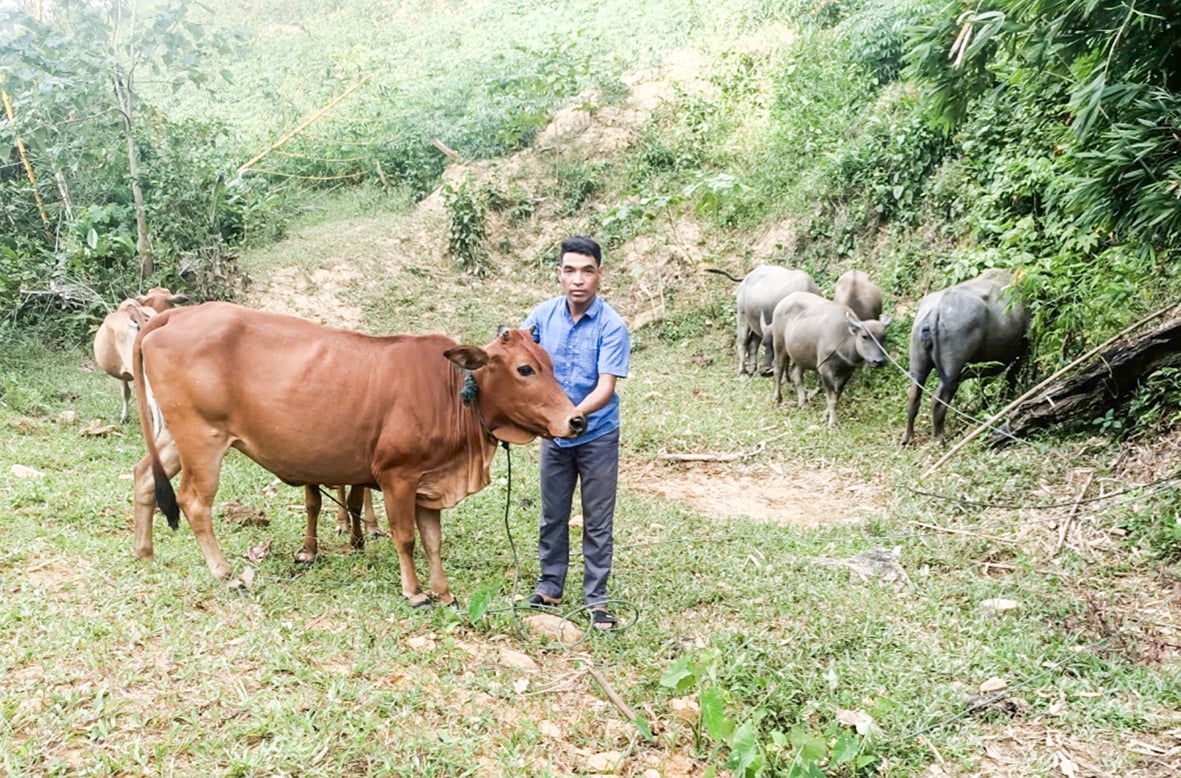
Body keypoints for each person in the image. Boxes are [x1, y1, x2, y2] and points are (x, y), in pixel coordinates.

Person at [522, 236, 631, 630]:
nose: (578, 280)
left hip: (596, 435)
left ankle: (597, 601)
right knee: (553, 515)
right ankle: (550, 586)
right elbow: (516, 358)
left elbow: (605, 388)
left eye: (587, 271)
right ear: (559, 275)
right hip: (555, 437)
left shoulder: (612, 325)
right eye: (570, 270)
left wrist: (569, 415)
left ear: (600, 275)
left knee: (597, 520)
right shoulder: (541, 317)